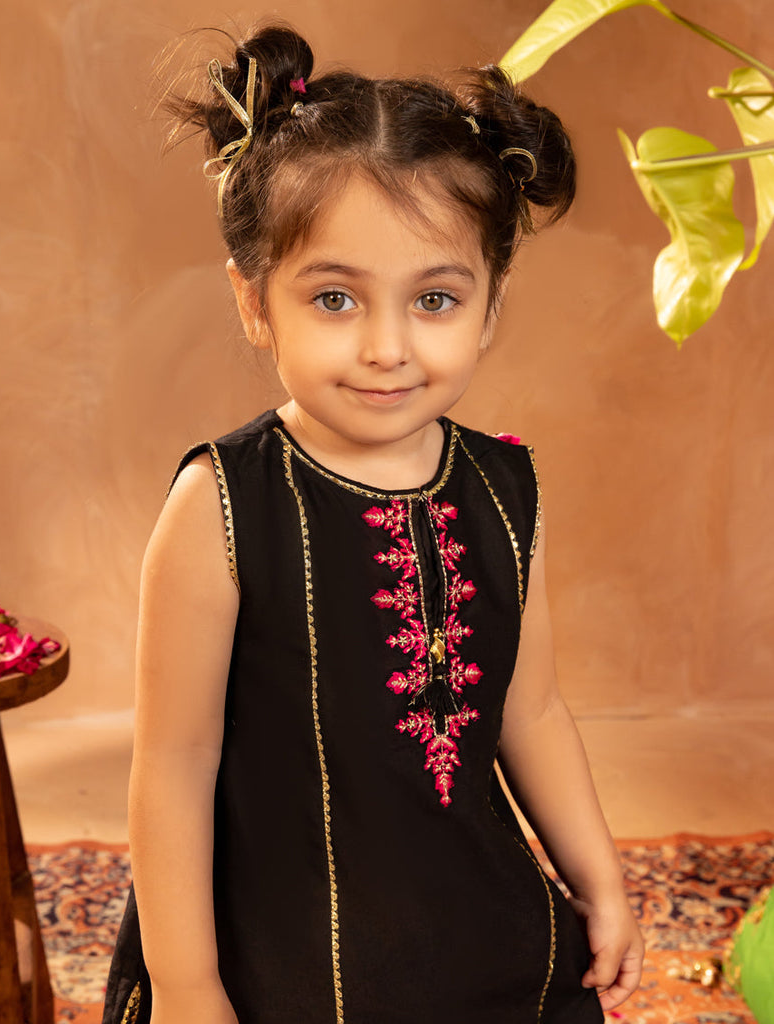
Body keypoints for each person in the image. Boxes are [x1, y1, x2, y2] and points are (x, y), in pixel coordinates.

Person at [102, 22, 644, 1024]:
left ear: (489, 307)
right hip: (288, 942)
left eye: (433, 299)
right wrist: (186, 983)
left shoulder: (505, 488)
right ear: (254, 302)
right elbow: (174, 763)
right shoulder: (220, 505)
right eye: (335, 299)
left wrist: (599, 881)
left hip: (472, 920)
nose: (387, 346)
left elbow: (530, 712)